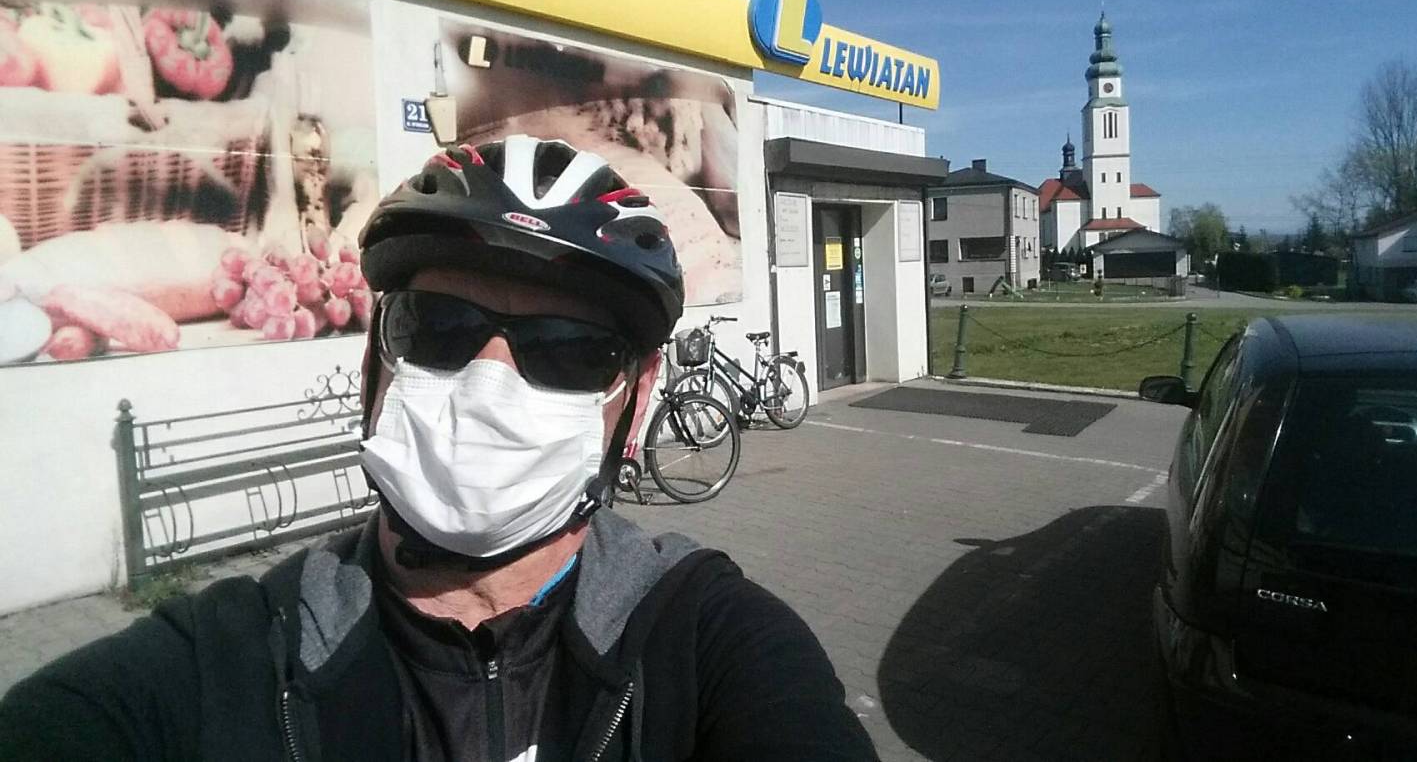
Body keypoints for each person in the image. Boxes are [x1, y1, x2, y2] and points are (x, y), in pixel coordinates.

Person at [0, 137, 878, 761]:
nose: (490, 379)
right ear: (375, 361)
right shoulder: (232, 657)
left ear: (635, 401)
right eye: (439, 327)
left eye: (570, 350)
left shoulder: (707, 641)